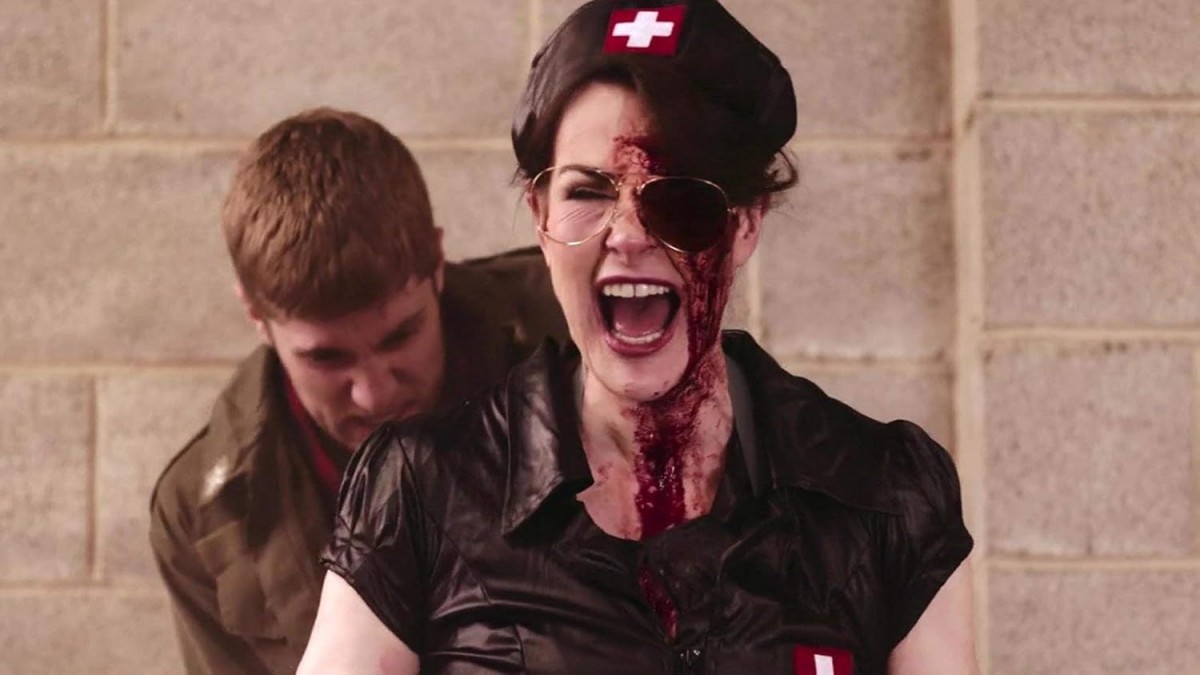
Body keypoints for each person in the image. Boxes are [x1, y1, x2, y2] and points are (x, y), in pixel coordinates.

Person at [299, 2, 977, 673]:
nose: (627, 234)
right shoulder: (422, 491)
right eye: (587, 192)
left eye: (677, 195)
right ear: (540, 216)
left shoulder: (885, 495)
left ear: (744, 222)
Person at [148, 107, 568, 674]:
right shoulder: (204, 517)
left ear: (436, 263)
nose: (373, 394)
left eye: (401, 336)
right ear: (256, 316)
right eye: (326, 358)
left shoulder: (574, 336)